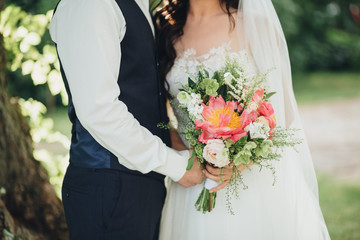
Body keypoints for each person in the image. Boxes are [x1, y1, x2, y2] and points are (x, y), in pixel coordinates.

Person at [155, 0, 331, 239]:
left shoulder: (256, 25)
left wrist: (239, 161)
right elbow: (156, 110)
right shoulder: (163, 27)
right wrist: (184, 153)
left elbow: (283, 112)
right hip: (191, 179)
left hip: (253, 182)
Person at [49, 0, 202, 239]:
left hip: (141, 187)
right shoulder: (91, 5)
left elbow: (139, 92)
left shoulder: (138, 4)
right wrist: (177, 166)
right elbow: (99, 111)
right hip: (108, 188)